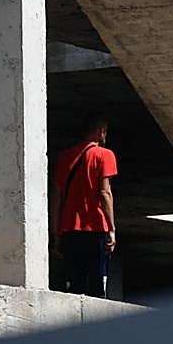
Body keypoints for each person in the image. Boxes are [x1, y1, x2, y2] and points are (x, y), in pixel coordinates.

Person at [51, 116, 117, 297]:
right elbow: (104, 193)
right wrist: (111, 228)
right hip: (96, 226)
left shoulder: (65, 157)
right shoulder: (105, 155)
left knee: (74, 284)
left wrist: (56, 232)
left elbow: (57, 196)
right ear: (100, 132)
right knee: (98, 284)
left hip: (69, 228)